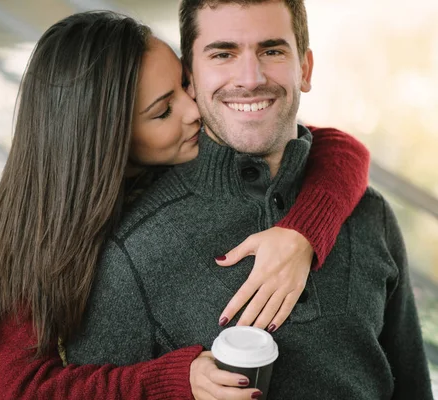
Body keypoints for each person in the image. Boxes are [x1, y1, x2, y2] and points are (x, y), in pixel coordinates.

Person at [0, 11, 371, 400]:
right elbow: (22, 389)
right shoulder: (32, 242)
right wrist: (176, 380)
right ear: (110, 141)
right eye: (163, 111)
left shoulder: (170, 162)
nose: (194, 110)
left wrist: (301, 231)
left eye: (184, 84)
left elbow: (341, 148)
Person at [63, 3, 433, 400]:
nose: (250, 78)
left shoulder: (369, 212)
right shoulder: (126, 252)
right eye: (223, 54)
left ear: (304, 69)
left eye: (272, 51)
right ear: (190, 75)